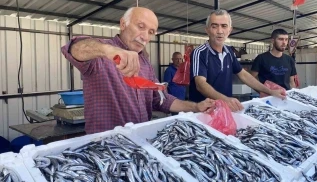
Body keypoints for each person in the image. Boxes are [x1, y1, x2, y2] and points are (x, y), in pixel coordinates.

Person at [61, 7, 215, 134]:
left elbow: (159, 100)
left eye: (151, 32)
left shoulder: (145, 63)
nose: (145, 37)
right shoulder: (101, 55)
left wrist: (195, 107)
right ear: (123, 24)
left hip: (140, 140)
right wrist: (108, 50)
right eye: (140, 27)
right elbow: (73, 49)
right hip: (106, 145)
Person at [189, 9, 286, 112]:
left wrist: (270, 91)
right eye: (214, 26)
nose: (220, 31)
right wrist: (226, 100)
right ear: (207, 30)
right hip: (203, 113)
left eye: (224, 26)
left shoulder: (229, 52)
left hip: (224, 111)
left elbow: (243, 75)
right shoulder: (200, 52)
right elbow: (200, 84)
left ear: (230, 30)